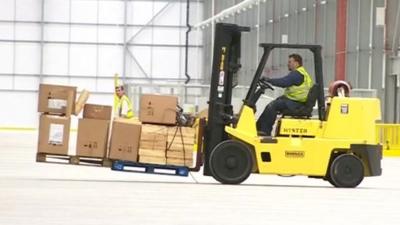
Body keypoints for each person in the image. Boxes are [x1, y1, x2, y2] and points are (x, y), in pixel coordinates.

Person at [256, 54, 313, 136]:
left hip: (296, 103)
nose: (288, 64)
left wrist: (269, 80)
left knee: (272, 106)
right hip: (297, 101)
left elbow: (283, 82)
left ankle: (264, 132)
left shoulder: (297, 74)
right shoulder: (300, 73)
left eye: (290, 62)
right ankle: (259, 128)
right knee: (275, 103)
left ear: (296, 63)